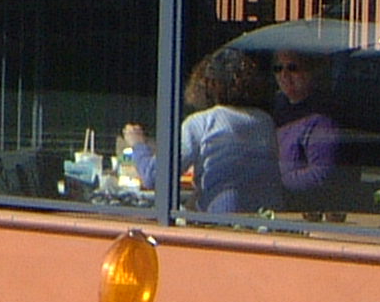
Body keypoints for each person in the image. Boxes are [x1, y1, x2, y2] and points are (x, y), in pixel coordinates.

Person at [125, 48, 287, 215]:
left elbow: (154, 177)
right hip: (267, 222)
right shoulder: (264, 122)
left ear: (207, 84)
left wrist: (138, 144)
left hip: (223, 224)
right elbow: (241, 176)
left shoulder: (201, 123)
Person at [270, 50, 350, 213]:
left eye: (292, 68)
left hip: (305, 211)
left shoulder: (321, 119)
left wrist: (275, 181)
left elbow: (320, 174)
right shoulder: (275, 109)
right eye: (278, 69)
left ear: (311, 71)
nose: (284, 75)